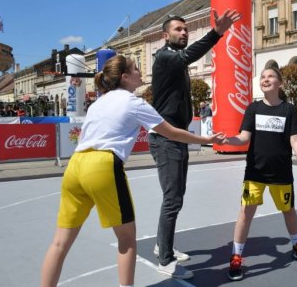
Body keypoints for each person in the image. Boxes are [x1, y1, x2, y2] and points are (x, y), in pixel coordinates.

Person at [40, 55, 225, 287]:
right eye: (136, 69)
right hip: (102, 166)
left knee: (59, 243)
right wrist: (205, 138)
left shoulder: (98, 103)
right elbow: (172, 132)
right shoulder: (133, 102)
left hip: (75, 166)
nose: (140, 72)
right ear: (125, 77)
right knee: (127, 241)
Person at [149, 9, 240, 279]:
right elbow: (191, 54)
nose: (184, 32)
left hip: (176, 136)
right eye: (178, 29)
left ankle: (161, 245)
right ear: (165, 36)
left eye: (186, 29)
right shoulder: (166, 57)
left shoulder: (176, 62)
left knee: (175, 198)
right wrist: (217, 32)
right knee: (172, 199)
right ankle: (165, 260)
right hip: (166, 139)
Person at [224, 66, 297, 281]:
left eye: (270, 76)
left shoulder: (289, 110)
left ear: (280, 83)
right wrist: (226, 139)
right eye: (262, 77)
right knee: (246, 213)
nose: (265, 79)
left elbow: (295, 140)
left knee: (289, 210)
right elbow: (244, 137)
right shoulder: (253, 108)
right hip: (255, 172)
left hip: (281, 173)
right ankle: (236, 256)